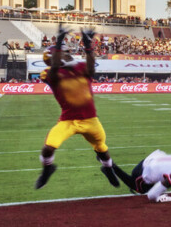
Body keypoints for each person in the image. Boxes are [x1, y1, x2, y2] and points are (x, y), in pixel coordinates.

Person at [35, 28, 129, 191]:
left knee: (102, 150)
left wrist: (88, 46)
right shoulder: (49, 73)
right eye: (65, 52)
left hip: (90, 119)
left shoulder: (79, 67)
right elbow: (56, 66)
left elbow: (92, 67)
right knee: (48, 147)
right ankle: (47, 169)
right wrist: (58, 43)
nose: (69, 54)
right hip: (68, 121)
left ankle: (107, 169)